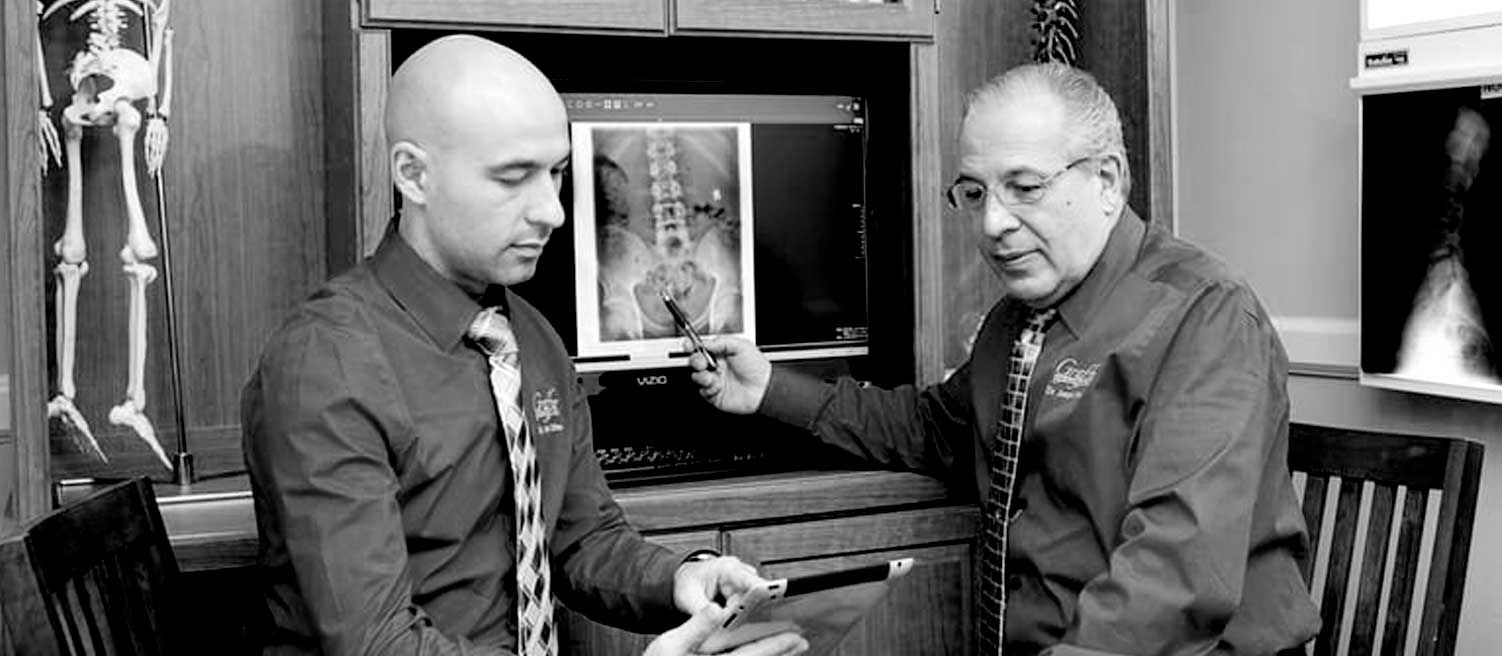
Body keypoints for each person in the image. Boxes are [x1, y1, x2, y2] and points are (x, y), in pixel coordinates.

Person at [688, 63, 1321, 655]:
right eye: (973, 192)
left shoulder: (1204, 316)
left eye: (1024, 188)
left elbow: (1174, 573)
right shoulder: (1016, 322)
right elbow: (936, 428)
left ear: (1107, 180)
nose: (993, 223)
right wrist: (770, 388)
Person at [242, 34, 807, 656]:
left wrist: (681, 578)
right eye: (513, 178)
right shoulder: (325, 362)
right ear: (413, 175)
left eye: (557, 174)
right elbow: (377, 644)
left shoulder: (529, 338)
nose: (552, 212)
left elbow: (581, 537)